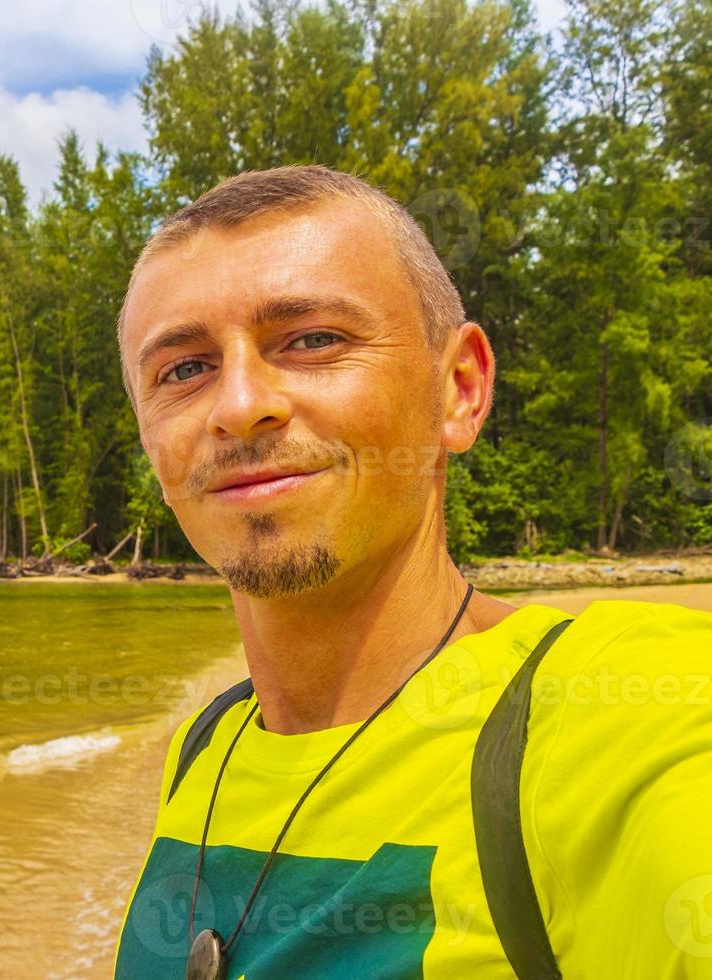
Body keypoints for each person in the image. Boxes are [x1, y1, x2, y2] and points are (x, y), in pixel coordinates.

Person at [111, 165, 712, 978]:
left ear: (458, 389)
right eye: (183, 369)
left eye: (313, 339)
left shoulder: (608, 708)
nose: (238, 404)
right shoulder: (206, 746)